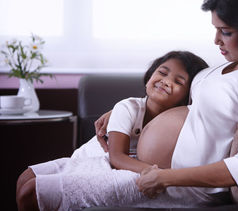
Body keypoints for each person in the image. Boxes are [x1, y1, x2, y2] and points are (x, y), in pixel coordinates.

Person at [95, 0, 238, 207]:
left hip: (177, 186)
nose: (216, 40)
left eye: (225, 32)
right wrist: (127, 112)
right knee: (50, 175)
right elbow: (199, 108)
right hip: (144, 165)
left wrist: (164, 178)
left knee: (50, 192)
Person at [16, 51, 208, 211]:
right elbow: (116, 157)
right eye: (162, 73)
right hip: (96, 159)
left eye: (178, 81)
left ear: (188, 95)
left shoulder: (178, 120)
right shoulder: (127, 107)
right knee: (26, 178)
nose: (166, 81)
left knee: (32, 188)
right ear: (150, 75)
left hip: (124, 164)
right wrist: (159, 175)